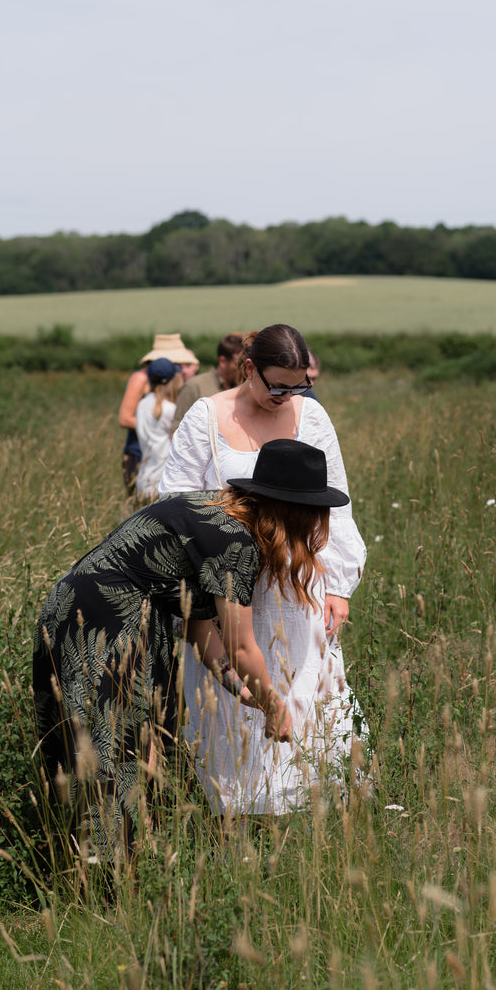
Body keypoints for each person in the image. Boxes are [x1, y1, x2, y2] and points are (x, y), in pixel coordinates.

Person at [33, 439, 347, 856]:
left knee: (126, 747)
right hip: (103, 618)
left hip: (104, 610)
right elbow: (240, 644)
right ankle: (107, 877)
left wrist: (242, 690)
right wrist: (275, 704)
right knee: (115, 749)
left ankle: (118, 867)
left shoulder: (218, 514)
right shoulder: (233, 540)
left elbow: (202, 629)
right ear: (296, 512)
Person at [158, 323, 367, 819]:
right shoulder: (206, 417)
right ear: (248, 369)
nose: (287, 396)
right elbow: (177, 502)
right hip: (228, 582)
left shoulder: (311, 416)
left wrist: (338, 585)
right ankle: (238, 812)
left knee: (304, 686)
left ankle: (312, 806)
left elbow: (335, 503)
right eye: (278, 385)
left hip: (298, 586)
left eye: (298, 386)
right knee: (236, 694)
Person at [118, 334, 200, 491]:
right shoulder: (141, 378)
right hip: (140, 452)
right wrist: (160, 425)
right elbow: (125, 418)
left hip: (152, 454)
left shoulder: (170, 381)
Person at [171, 333, 244, 434]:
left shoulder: (242, 390)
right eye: (237, 364)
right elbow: (176, 432)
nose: (243, 370)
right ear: (222, 361)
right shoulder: (195, 386)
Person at [134, 358, 184, 502]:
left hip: (143, 477)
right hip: (162, 480)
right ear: (173, 379)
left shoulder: (142, 404)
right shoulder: (170, 409)